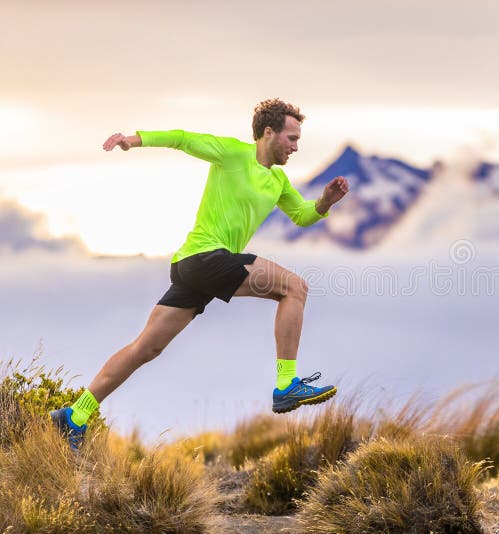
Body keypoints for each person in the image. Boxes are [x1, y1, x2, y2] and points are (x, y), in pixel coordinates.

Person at [50, 98, 349, 450]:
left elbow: (301, 214)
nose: (296, 147)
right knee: (295, 288)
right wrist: (134, 139)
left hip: (193, 268)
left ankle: (75, 415)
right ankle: (286, 384)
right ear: (268, 133)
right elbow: (183, 138)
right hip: (206, 258)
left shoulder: (278, 180)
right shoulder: (233, 153)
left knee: (145, 349)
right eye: (291, 138)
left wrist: (326, 201)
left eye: (298, 140)